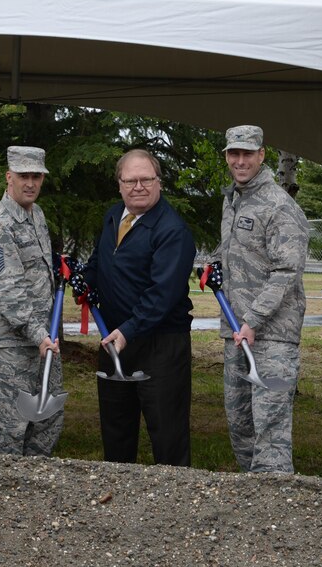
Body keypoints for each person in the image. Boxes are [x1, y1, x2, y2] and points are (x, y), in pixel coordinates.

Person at [83, 149, 196, 466]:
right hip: (114, 339)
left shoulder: (172, 231)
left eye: (146, 179)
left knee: (167, 434)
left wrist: (128, 330)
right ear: (119, 184)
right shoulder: (112, 216)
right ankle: (116, 503)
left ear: (159, 182)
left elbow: (163, 293)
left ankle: (173, 504)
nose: (138, 186)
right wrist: (85, 279)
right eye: (130, 180)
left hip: (160, 344)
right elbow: (100, 262)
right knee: (116, 431)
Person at [213, 125, 309, 474]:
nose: (240, 161)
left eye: (247, 154)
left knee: (270, 430)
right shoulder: (234, 199)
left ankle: (276, 511)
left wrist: (253, 320)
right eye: (233, 154)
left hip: (272, 336)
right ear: (226, 156)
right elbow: (237, 252)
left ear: (262, 155)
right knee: (240, 424)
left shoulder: (279, 206)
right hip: (236, 332)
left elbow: (287, 270)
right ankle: (254, 512)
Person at [0, 146, 62, 456]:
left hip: (42, 341)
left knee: (47, 420)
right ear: (9, 177)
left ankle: (35, 491)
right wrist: (41, 335)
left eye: (36, 176)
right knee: (10, 426)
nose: (31, 183)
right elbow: (8, 294)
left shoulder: (36, 214)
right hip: (10, 346)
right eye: (24, 176)